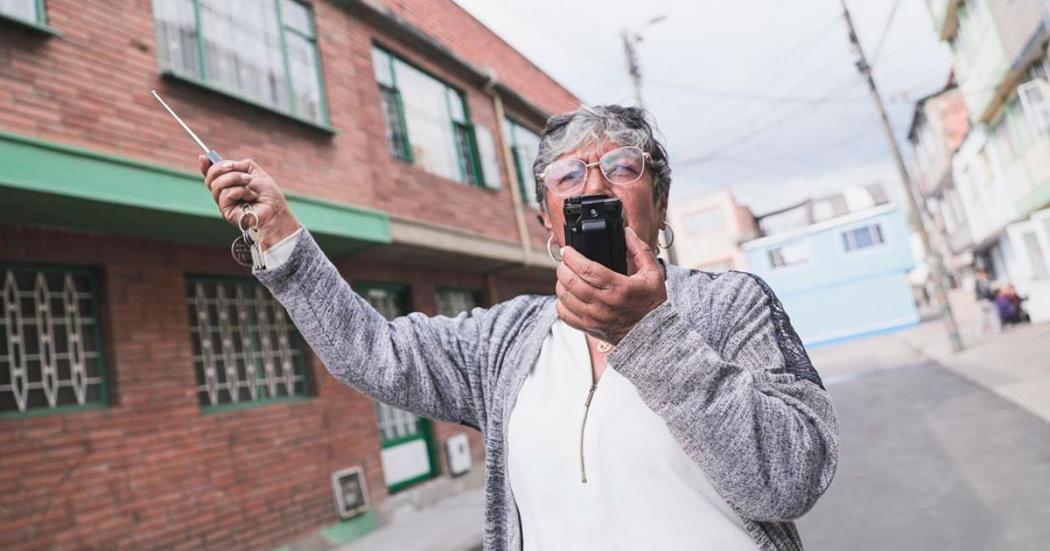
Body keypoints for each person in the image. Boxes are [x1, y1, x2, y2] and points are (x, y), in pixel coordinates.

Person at [199, 105, 838, 550]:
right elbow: (376, 353)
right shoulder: (506, 342)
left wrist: (648, 333)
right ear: (547, 223)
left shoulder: (731, 305)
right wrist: (281, 237)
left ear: (661, 203)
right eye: (567, 176)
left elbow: (790, 478)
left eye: (620, 166)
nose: (594, 183)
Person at [974, 268, 1001, 335]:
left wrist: (995, 292)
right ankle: (979, 330)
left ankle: (997, 328)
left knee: (994, 314)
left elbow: (994, 290)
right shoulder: (977, 283)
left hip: (991, 299)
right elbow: (978, 292)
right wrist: (982, 300)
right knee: (983, 317)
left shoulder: (989, 280)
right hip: (983, 301)